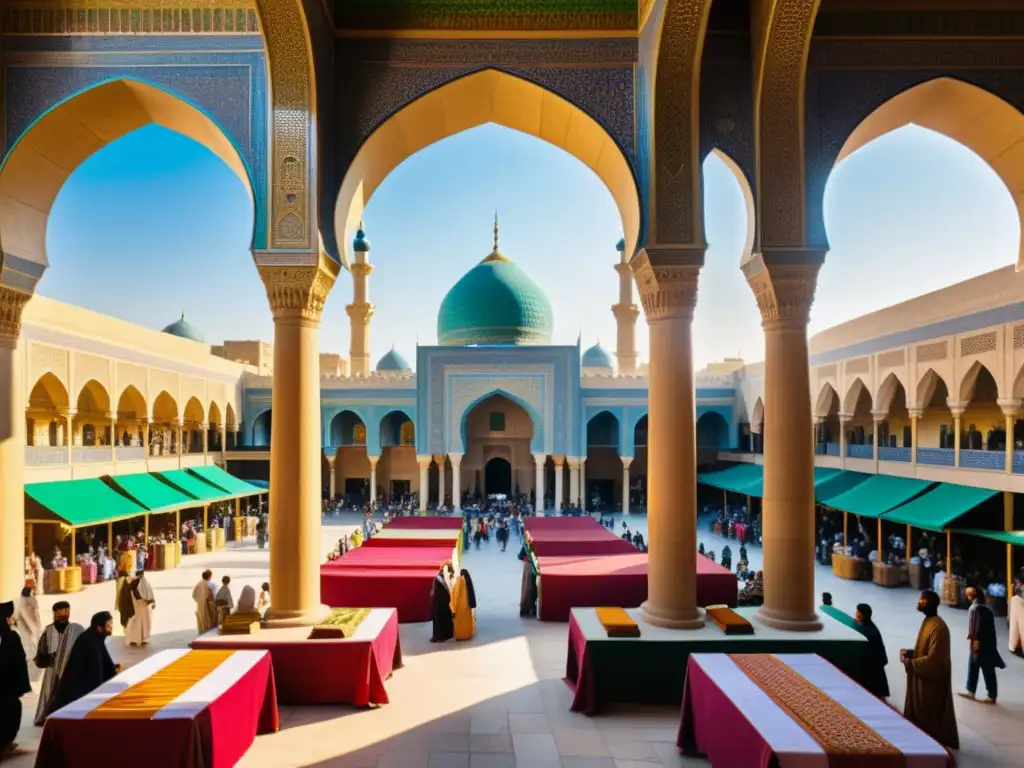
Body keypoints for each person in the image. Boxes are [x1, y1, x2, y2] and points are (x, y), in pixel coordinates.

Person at [901, 590, 958, 749]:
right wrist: (911, 653)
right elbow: (924, 650)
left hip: (931, 685)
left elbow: (935, 661)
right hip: (922, 680)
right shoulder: (928, 622)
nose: (920, 602)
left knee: (928, 716)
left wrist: (910, 663)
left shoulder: (938, 627)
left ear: (930, 603)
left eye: (923, 600)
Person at [54, 612, 118, 711]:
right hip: (78, 696)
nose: (111, 628)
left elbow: (105, 662)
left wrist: (114, 669)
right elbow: (96, 674)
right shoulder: (90, 642)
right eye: (108, 625)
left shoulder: (95, 637)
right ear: (99, 628)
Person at [33, 601, 84, 725]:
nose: (64, 615)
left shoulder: (74, 630)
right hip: (52, 671)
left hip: (69, 669)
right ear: (54, 613)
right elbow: (41, 654)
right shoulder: (48, 631)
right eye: (61, 612)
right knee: (50, 695)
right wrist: (52, 656)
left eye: (67, 612)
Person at [958, 586, 1005, 704]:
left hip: (979, 642)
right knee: (978, 666)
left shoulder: (974, 608)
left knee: (984, 667)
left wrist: (975, 641)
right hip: (987, 642)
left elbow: (975, 628)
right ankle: (973, 691)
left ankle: (990, 694)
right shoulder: (985, 608)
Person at [0, 601, 31, 759]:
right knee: (9, 713)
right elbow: (18, 662)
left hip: (8, 688)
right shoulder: (10, 637)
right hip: (7, 689)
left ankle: (5, 744)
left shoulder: (10, 637)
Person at [853, 603, 889, 699]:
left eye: (857, 611)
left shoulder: (868, 631)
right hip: (875, 660)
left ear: (862, 614)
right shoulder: (868, 626)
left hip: (872, 663)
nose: (855, 613)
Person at [13, 587, 41, 682]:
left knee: (29, 644)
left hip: (28, 626)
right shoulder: (23, 601)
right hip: (27, 626)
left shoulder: (22, 600)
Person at [125, 570, 155, 646]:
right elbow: (146, 595)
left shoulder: (133, 583)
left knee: (137, 623)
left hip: (139, 607)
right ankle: (143, 639)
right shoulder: (143, 583)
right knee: (144, 623)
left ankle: (136, 639)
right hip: (142, 607)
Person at [451, 568, 477, 641]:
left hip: (459, 606)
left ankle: (461, 636)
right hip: (467, 605)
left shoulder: (460, 580)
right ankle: (467, 634)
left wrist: (452, 606)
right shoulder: (467, 581)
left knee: (460, 622)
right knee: (467, 621)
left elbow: (455, 594)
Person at [430, 564, 455, 642]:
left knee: (441, 620)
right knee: (443, 619)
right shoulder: (439, 579)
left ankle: (441, 636)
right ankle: (443, 635)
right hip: (441, 603)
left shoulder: (439, 578)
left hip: (440, 603)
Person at [192, 569, 217, 634]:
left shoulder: (198, 584)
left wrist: (199, 600)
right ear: (209, 576)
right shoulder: (209, 584)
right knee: (209, 618)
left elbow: (194, 595)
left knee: (201, 618)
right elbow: (212, 595)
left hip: (200, 604)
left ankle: (201, 631)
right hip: (207, 604)